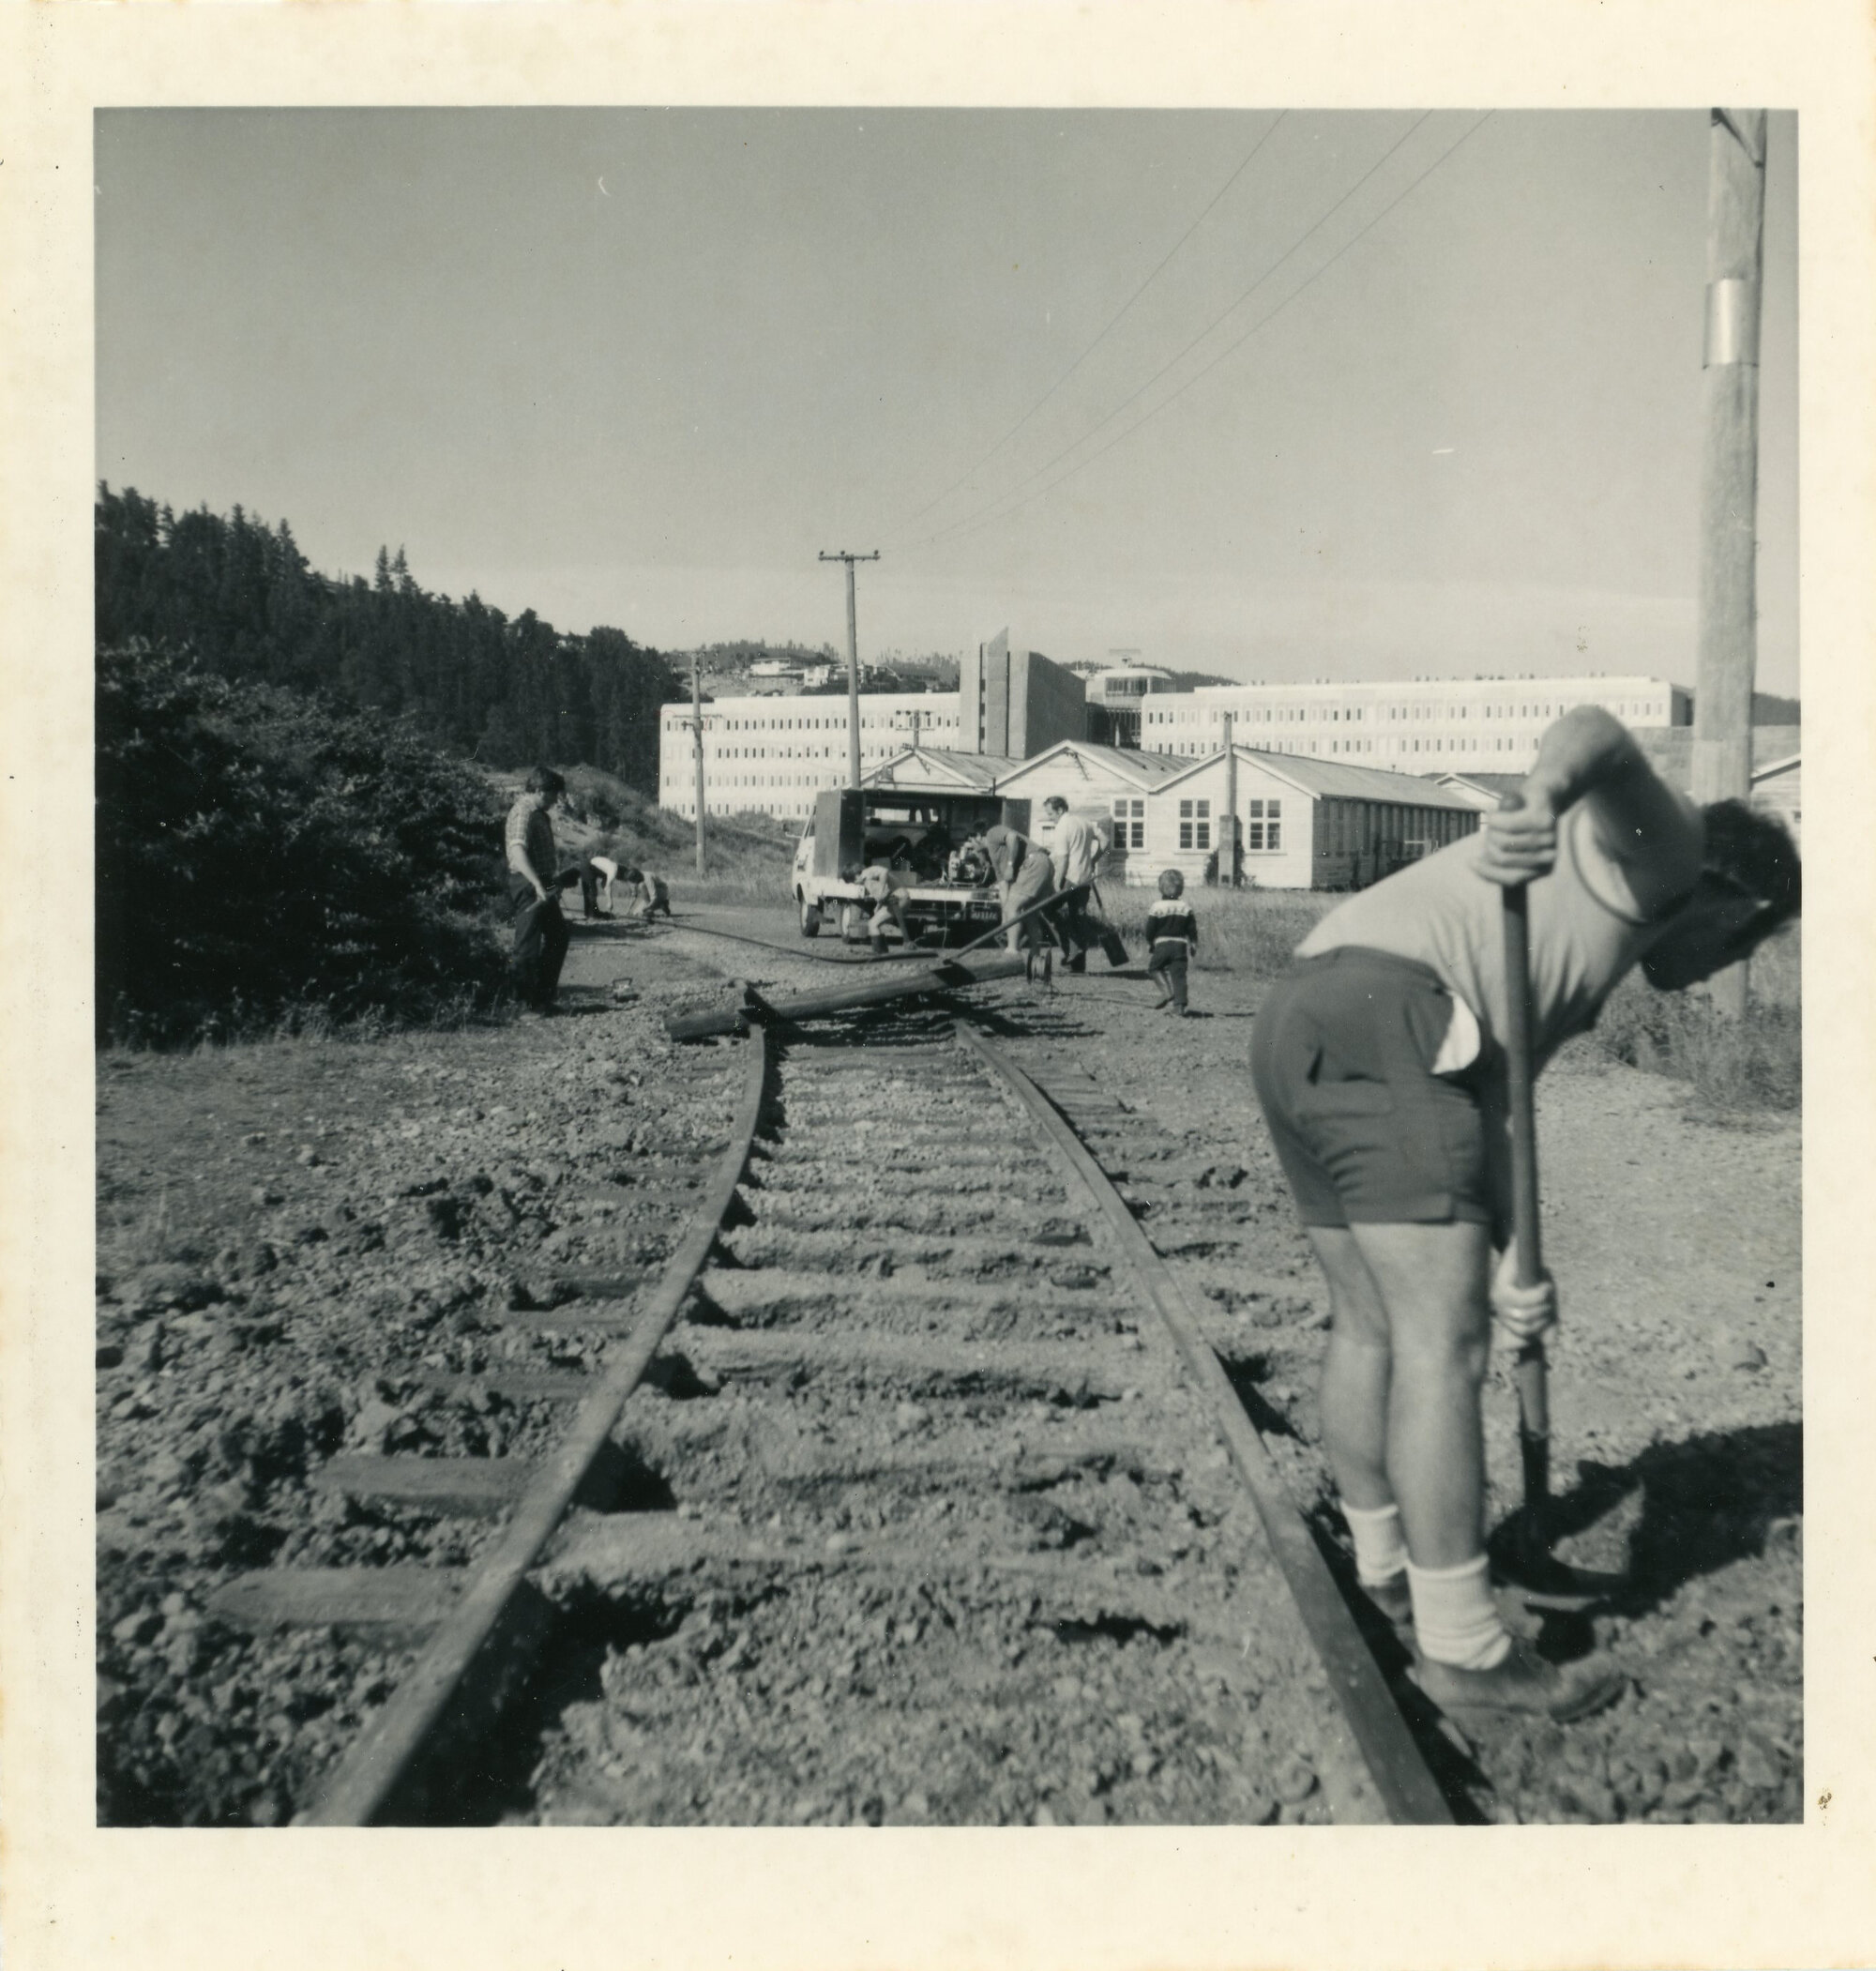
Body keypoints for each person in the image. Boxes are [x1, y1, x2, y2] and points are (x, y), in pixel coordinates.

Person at [1248, 706, 1801, 1721]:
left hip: (1307, 1009)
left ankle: (1381, 1569)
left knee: (1369, 1323)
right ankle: (1461, 1646)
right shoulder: (1670, 853)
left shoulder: (1575, 934)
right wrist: (1542, 796)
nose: (1728, 968)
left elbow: (1493, 1111)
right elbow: (1600, 734)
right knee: (1439, 1347)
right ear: (1741, 894)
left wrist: (1511, 1262)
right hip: (1400, 1016)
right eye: (1751, 944)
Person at [505, 766, 572, 1010]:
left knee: (558, 937)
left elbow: (544, 864)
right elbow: (517, 852)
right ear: (540, 790)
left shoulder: (540, 814)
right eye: (553, 794)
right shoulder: (522, 812)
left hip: (541, 882)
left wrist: (553, 885)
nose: (556, 800)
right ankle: (521, 1005)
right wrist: (536, 884)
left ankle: (542, 1000)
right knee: (526, 945)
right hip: (527, 883)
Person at [1041, 795, 1108, 973]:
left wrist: (1056, 885)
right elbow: (1106, 841)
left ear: (1060, 810)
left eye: (1051, 814)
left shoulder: (1063, 827)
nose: (1050, 818)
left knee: (1047, 909)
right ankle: (1078, 966)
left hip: (1069, 878)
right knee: (1077, 919)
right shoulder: (1085, 822)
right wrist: (1094, 860)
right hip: (1085, 879)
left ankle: (1070, 950)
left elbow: (1063, 860)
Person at [983, 821, 1057, 978]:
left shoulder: (992, 832)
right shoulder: (994, 857)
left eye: (971, 845)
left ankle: (1012, 953)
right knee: (1030, 913)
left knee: (1014, 908)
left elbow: (1012, 837)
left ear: (976, 837)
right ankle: (1036, 959)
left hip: (1034, 862)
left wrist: (1010, 865)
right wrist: (1005, 921)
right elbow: (1004, 889)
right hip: (1044, 864)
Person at [1144, 868, 1198, 1013]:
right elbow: (1192, 929)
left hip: (1162, 944)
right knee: (1179, 974)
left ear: (1160, 888)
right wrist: (1193, 943)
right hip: (1180, 945)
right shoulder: (1186, 907)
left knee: (1154, 968)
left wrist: (1150, 942)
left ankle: (1167, 993)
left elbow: (1150, 929)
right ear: (1181, 890)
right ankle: (1179, 1006)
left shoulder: (1157, 907)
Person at [856, 859, 913, 958]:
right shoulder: (868, 878)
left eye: (853, 881)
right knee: (874, 923)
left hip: (899, 900)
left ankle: (880, 952)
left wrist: (881, 893)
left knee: (872, 924)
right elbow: (885, 893)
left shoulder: (866, 875)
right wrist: (878, 905)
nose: (855, 884)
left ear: (856, 875)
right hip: (902, 898)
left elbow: (884, 872)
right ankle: (883, 952)